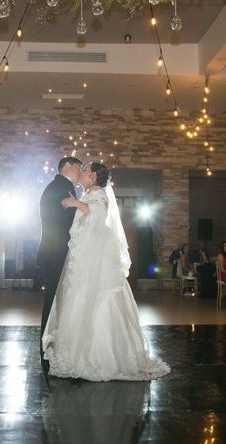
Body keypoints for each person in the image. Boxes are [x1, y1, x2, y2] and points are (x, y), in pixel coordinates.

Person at [42, 162, 169, 382]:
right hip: (83, 257)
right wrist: (77, 203)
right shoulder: (88, 192)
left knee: (96, 300)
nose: (81, 171)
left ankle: (99, 357)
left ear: (93, 176)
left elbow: (98, 215)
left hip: (93, 259)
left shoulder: (98, 193)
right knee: (80, 300)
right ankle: (77, 351)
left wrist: (75, 203)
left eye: (85, 169)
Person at [36, 156, 83, 373]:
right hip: (56, 253)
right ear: (67, 167)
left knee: (57, 300)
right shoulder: (62, 188)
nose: (80, 171)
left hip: (53, 252)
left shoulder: (59, 186)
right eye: (78, 167)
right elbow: (67, 223)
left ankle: (51, 342)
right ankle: (47, 345)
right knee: (54, 301)